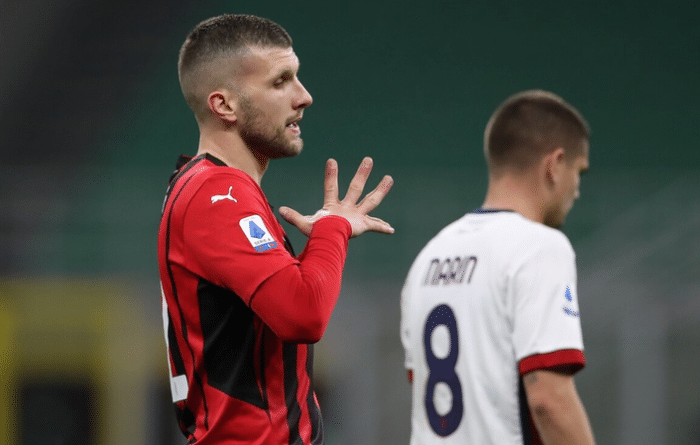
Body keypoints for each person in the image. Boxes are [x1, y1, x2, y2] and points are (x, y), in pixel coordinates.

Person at [158, 14, 394, 444]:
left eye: (296, 77)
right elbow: (303, 314)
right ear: (224, 105)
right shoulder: (218, 196)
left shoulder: (209, 187)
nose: (304, 97)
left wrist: (321, 241)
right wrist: (333, 230)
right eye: (280, 81)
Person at [400, 90, 596, 444]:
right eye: (578, 172)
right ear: (554, 165)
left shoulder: (428, 258)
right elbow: (549, 400)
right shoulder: (539, 247)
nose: (577, 190)